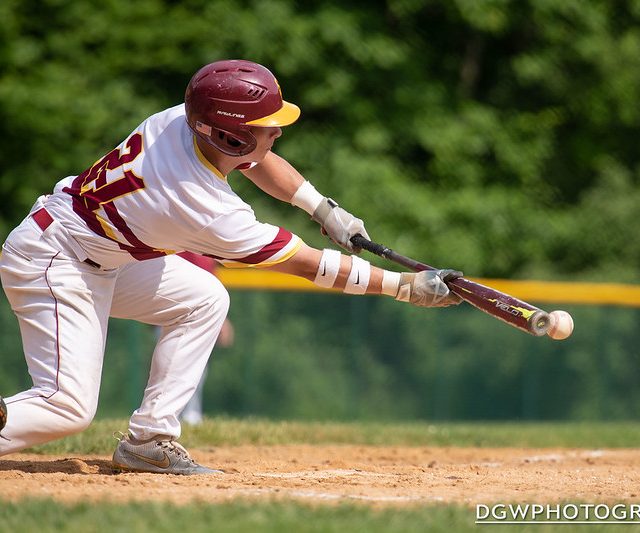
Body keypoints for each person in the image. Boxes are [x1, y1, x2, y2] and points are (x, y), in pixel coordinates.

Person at [0, 59, 462, 474]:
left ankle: (149, 440)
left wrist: (322, 208)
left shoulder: (183, 122)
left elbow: (256, 159)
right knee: (66, 407)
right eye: (266, 125)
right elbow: (307, 265)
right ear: (227, 134)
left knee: (203, 298)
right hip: (56, 261)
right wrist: (401, 286)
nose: (277, 131)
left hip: (100, 251)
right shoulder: (201, 206)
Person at [175, 252, 234, 425]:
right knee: (176, 365)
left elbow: (210, 280)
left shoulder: (206, 245)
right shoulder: (186, 238)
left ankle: (190, 416)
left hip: (197, 309)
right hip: (178, 306)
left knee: (197, 366)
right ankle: (171, 418)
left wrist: (222, 318)